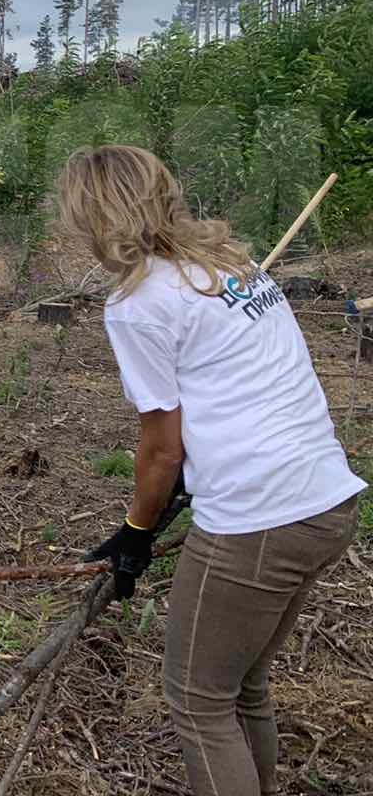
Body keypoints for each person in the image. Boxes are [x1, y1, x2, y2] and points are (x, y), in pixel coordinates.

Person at [60, 145, 364, 796]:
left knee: (198, 701)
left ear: (96, 218)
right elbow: (231, 392)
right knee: (241, 686)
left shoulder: (136, 303)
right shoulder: (230, 264)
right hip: (324, 500)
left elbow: (162, 447)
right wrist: (179, 490)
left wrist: (136, 529)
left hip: (261, 518)